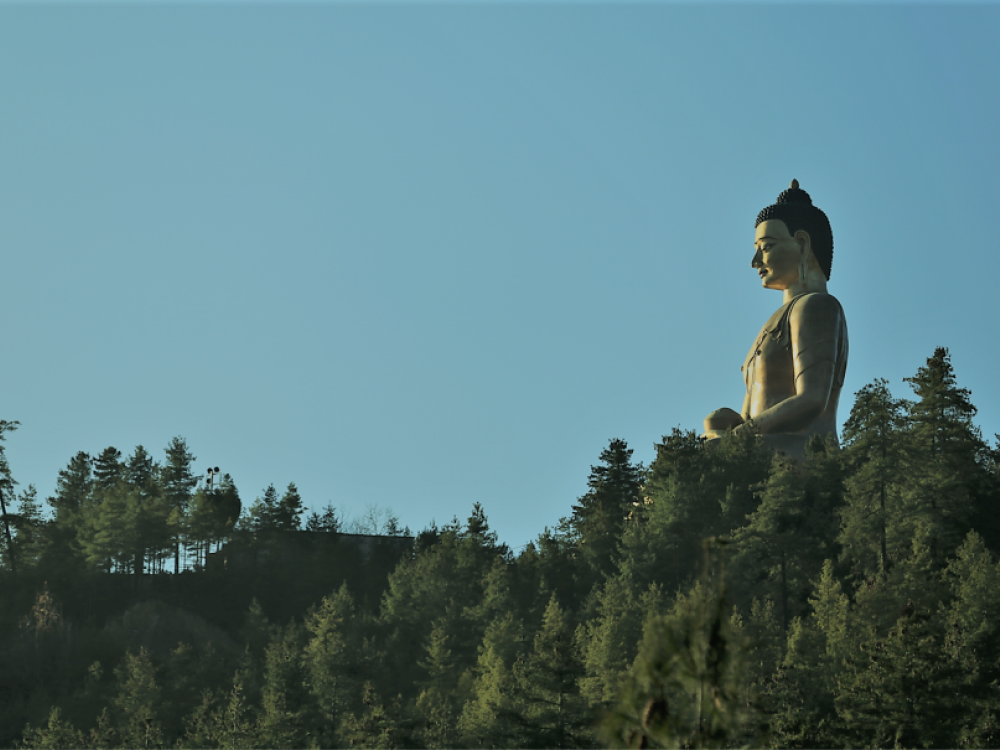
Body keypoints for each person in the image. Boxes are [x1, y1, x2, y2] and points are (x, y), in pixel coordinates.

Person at [702, 180, 848, 460]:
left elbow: (811, 399)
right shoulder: (776, 321)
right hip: (761, 448)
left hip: (802, 452)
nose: (755, 261)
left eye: (766, 247)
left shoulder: (815, 305)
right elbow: (750, 414)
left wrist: (737, 439)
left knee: (700, 462)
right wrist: (727, 425)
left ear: (802, 244)